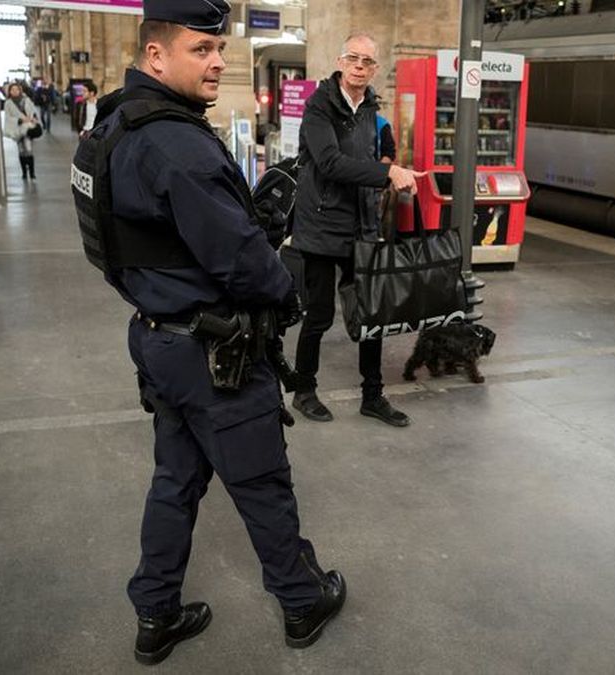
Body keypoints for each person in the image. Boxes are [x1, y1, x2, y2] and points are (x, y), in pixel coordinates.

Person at [84, 0, 345, 663]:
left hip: (157, 336)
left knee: (174, 480)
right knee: (261, 483)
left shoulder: (115, 123)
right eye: (201, 49)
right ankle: (302, 601)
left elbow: (143, 239)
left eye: (219, 49)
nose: (217, 61)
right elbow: (246, 265)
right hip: (213, 354)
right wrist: (285, 291)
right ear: (156, 54)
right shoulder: (177, 143)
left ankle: (155, 613)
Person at [289, 32, 425, 427]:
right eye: (354, 58)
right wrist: (388, 171)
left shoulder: (370, 109)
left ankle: (372, 395)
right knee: (318, 316)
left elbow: (368, 161)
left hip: (363, 226)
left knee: (371, 316)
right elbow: (330, 163)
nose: (360, 66)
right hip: (320, 225)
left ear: (375, 68)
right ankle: (304, 390)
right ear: (340, 60)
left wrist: (391, 181)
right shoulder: (319, 106)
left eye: (368, 61)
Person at [3, 82, 40, 180]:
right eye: (12, 90)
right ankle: (24, 172)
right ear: (9, 92)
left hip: (28, 128)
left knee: (29, 149)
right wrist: (20, 120)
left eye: (16, 89)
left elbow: (33, 111)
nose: (15, 91)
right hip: (17, 129)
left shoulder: (26, 100)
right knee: (21, 151)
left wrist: (33, 118)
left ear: (20, 90)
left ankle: (32, 172)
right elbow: (8, 117)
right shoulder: (8, 103)